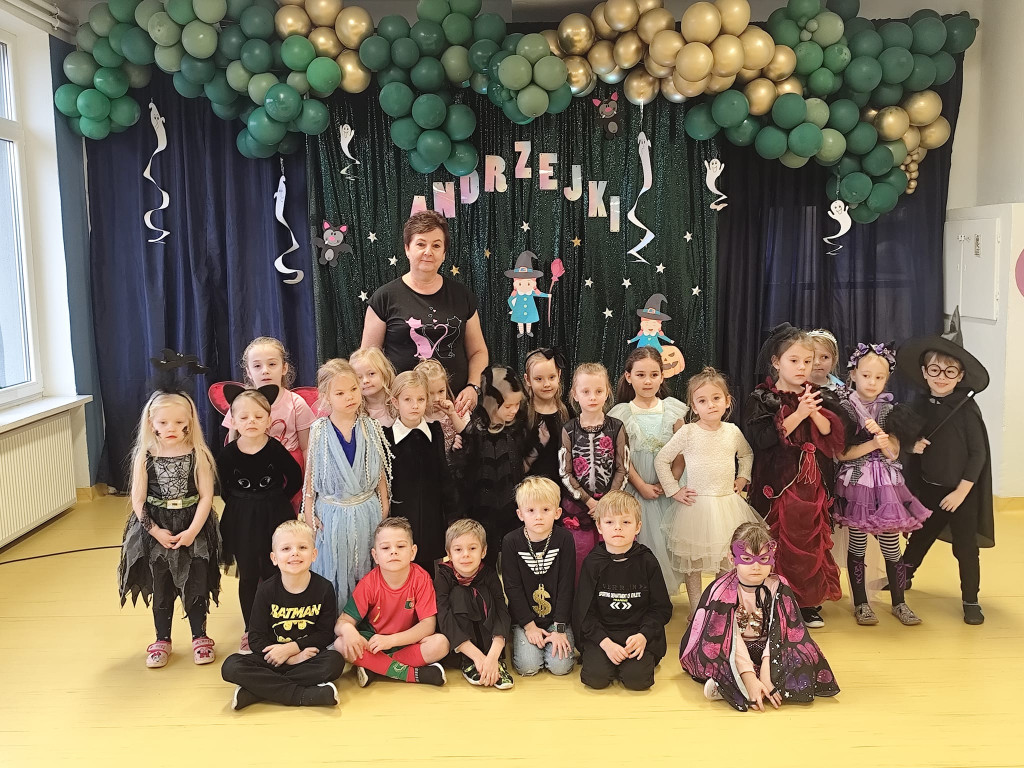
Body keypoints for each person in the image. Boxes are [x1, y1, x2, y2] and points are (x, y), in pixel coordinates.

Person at [744, 324, 846, 628]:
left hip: (812, 483)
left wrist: (812, 412)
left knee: (810, 541)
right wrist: (799, 414)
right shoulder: (763, 398)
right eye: (794, 360)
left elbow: (832, 436)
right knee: (777, 541)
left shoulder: (818, 395)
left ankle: (807, 602)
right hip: (778, 482)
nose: (803, 367)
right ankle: (773, 597)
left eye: (807, 361)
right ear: (777, 362)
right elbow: (763, 440)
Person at [896, 309, 994, 625]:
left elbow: (978, 455)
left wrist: (962, 491)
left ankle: (971, 599)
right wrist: (911, 446)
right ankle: (903, 578)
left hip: (961, 493)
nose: (941, 377)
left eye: (950, 372)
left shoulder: (966, 409)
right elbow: (904, 440)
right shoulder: (919, 404)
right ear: (924, 372)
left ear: (960, 376)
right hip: (929, 487)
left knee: (966, 548)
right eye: (935, 370)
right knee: (920, 537)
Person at [680, 520, 840, 712]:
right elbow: (730, 637)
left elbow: (782, 630)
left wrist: (767, 670)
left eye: (763, 559)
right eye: (747, 559)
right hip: (732, 647)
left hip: (770, 647)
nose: (756, 566)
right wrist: (748, 675)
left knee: (805, 654)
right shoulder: (723, 590)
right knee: (711, 652)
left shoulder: (778, 586)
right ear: (731, 558)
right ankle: (741, 683)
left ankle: (738, 686)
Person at [117, 385, 221, 668]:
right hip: (156, 526)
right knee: (161, 582)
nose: (171, 428)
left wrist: (193, 531)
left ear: (189, 422)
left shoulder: (198, 454)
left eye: (178, 422)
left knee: (196, 580)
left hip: (192, 525)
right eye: (163, 422)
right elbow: (138, 500)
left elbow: (206, 497)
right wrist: (154, 531)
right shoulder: (144, 456)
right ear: (151, 423)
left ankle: (200, 636)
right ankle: (162, 639)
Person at [835, 343, 930, 626]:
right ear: (853, 374)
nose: (872, 382)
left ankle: (899, 602)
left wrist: (885, 442)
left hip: (887, 485)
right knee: (858, 545)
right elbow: (842, 454)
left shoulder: (890, 410)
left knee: (891, 545)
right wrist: (872, 444)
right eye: (866, 376)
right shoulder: (844, 409)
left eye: (879, 377)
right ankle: (861, 603)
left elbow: (894, 453)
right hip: (857, 484)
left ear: (887, 379)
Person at [655, 367, 761, 618]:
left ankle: (719, 608)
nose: (710, 405)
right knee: (693, 564)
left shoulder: (732, 431)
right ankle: (697, 610)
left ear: (727, 401)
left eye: (716, 398)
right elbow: (662, 459)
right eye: (702, 401)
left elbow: (746, 454)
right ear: (694, 406)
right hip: (696, 507)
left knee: (725, 560)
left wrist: (743, 477)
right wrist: (673, 490)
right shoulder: (688, 432)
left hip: (727, 505)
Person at [362, 210, 488, 416]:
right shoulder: (384, 297)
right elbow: (368, 359)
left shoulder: (462, 295)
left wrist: (473, 387)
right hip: (402, 412)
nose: (428, 251)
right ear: (407, 248)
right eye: (421, 244)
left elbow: (478, 352)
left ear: (444, 253)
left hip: (454, 408)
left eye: (436, 245)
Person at [221, 521, 345, 710]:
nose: (294, 553)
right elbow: (255, 638)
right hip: (273, 658)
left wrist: (294, 649)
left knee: (334, 662)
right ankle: (304, 696)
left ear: (314, 554)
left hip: (307, 657)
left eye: (302, 547)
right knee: (231, 666)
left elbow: (325, 634)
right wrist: (289, 658)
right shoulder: (266, 590)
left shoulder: (324, 588)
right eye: (286, 548)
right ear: (274, 558)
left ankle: (256, 691)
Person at [217, 386, 303, 652]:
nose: (251, 421)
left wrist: (276, 499)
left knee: (274, 571)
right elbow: (222, 486)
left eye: (258, 416)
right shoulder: (228, 453)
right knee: (248, 575)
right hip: (241, 520)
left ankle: (277, 624)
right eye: (243, 417)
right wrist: (243, 504)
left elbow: (295, 477)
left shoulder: (275, 448)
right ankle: (250, 629)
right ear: (233, 421)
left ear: (269, 420)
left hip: (274, 515)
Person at [303, 358, 393, 613]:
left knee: (366, 565)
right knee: (334, 567)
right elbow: (310, 478)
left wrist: (384, 508)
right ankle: (335, 620)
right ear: (326, 397)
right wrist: (310, 516)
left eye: (353, 389)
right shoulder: (319, 431)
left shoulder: (370, 427)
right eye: (340, 393)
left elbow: (380, 474)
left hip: (367, 511)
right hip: (332, 514)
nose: (349, 396)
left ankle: (367, 619)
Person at [573, 491, 672, 691]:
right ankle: (609, 660)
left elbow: (661, 608)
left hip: (637, 633)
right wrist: (605, 643)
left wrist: (643, 636)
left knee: (637, 680)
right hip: (603, 633)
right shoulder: (593, 563)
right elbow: (584, 612)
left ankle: (630, 663)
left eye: (626, 522)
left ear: (638, 526)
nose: (618, 527)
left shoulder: (647, 561)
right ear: (599, 526)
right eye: (610, 522)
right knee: (596, 679)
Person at [334, 517, 450, 686]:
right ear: (375, 555)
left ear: (413, 552)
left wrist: (391, 641)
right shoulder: (369, 583)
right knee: (340, 643)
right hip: (373, 642)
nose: (393, 552)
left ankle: (375, 667)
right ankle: (414, 675)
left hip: (406, 641)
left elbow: (428, 626)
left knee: (441, 644)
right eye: (385, 548)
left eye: (400, 546)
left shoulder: (421, 578)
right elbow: (342, 622)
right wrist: (348, 629)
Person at [610, 347, 687, 594]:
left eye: (654, 375)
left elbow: (682, 453)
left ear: (662, 376)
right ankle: (639, 594)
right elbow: (622, 455)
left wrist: (669, 483)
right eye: (641, 375)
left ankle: (662, 597)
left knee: (667, 543)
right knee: (641, 542)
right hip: (636, 488)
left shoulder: (673, 410)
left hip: (668, 491)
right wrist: (641, 485)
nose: (647, 381)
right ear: (628, 376)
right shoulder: (621, 414)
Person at [451, 365, 527, 567]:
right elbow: (461, 473)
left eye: (517, 404)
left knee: (513, 559)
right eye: (508, 406)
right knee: (486, 561)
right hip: (481, 511)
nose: (514, 410)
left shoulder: (516, 428)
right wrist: (457, 451)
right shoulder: (474, 431)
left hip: (512, 510)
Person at [559, 362, 629, 579]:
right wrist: (589, 502)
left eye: (599, 391)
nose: (592, 397)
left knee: (613, 556)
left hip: (611, 506)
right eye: (586, 392)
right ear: (575, 394)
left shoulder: (617, 427)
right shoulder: (569, 429)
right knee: (580, 557)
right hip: (579, 506)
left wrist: (606, 502)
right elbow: (565, 472)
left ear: (607, 392)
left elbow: (623, 468)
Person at [501, 477, 576, 678]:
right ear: (520, 514)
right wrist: (529, 626)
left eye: (546, 510)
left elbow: (566, 585)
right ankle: (521, 638)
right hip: (525, 620)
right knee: (528, 667)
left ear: (557, 513)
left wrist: (559, 628)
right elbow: (512, 587)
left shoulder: (565, 539)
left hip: (557, 619)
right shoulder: (511, 541)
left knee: (560, 668)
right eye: (531, 510)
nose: (539, 517)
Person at [383, 370, 457, 575]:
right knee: (400, 567)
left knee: (429, 572)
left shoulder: (435, 431)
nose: (415, 405)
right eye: (408, 399)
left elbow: (444, 474)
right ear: (395, 402)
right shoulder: (386, 437)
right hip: (400, 517)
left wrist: (453, 515)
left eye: (420, 399)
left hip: (431, 518)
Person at [435, 519, 514, 689]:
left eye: (472, 548)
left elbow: (502, 611)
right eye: (458, 549)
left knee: (485, 593)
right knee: (459, 594)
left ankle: (495, 663)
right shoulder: (443, 576)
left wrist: (492, 657)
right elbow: (443, 616)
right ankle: (468, 661)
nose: (466, 555)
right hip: (459, 647)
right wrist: (478, 658)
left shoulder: (489, 574)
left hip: (490, 647)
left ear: (483, 551)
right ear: (449, 553)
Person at [221, 337, 316, 475]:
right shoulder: (239, 402)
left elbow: (307, 448)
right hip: (252, 470)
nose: (265, 370)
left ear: (284, 368)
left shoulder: (296, 403)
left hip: (289, 471)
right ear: (249, 372)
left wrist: (308, 482)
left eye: (272, 364)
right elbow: (232, 445)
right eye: (257, 366)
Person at [521, 348, 569, 489]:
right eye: (539, 379)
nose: (546, 384)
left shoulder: (567, 412)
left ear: (559, 375)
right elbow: (515, 466)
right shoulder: (521, 414)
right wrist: (537, 448)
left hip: (560, 490)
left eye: (551, 377)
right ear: (528, 380)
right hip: (530, 490)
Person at [416, 358, 467, 457]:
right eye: (430, 393)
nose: (437, 398)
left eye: (441, 391)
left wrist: (452, 415)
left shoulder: (458, 410)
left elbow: (469, 437)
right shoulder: (417, 417)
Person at [351, 346, 397, 428]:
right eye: (359, 377)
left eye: (371, 374)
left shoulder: (399, 403)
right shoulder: (354, 411)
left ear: (384, 372)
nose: (365, 381)